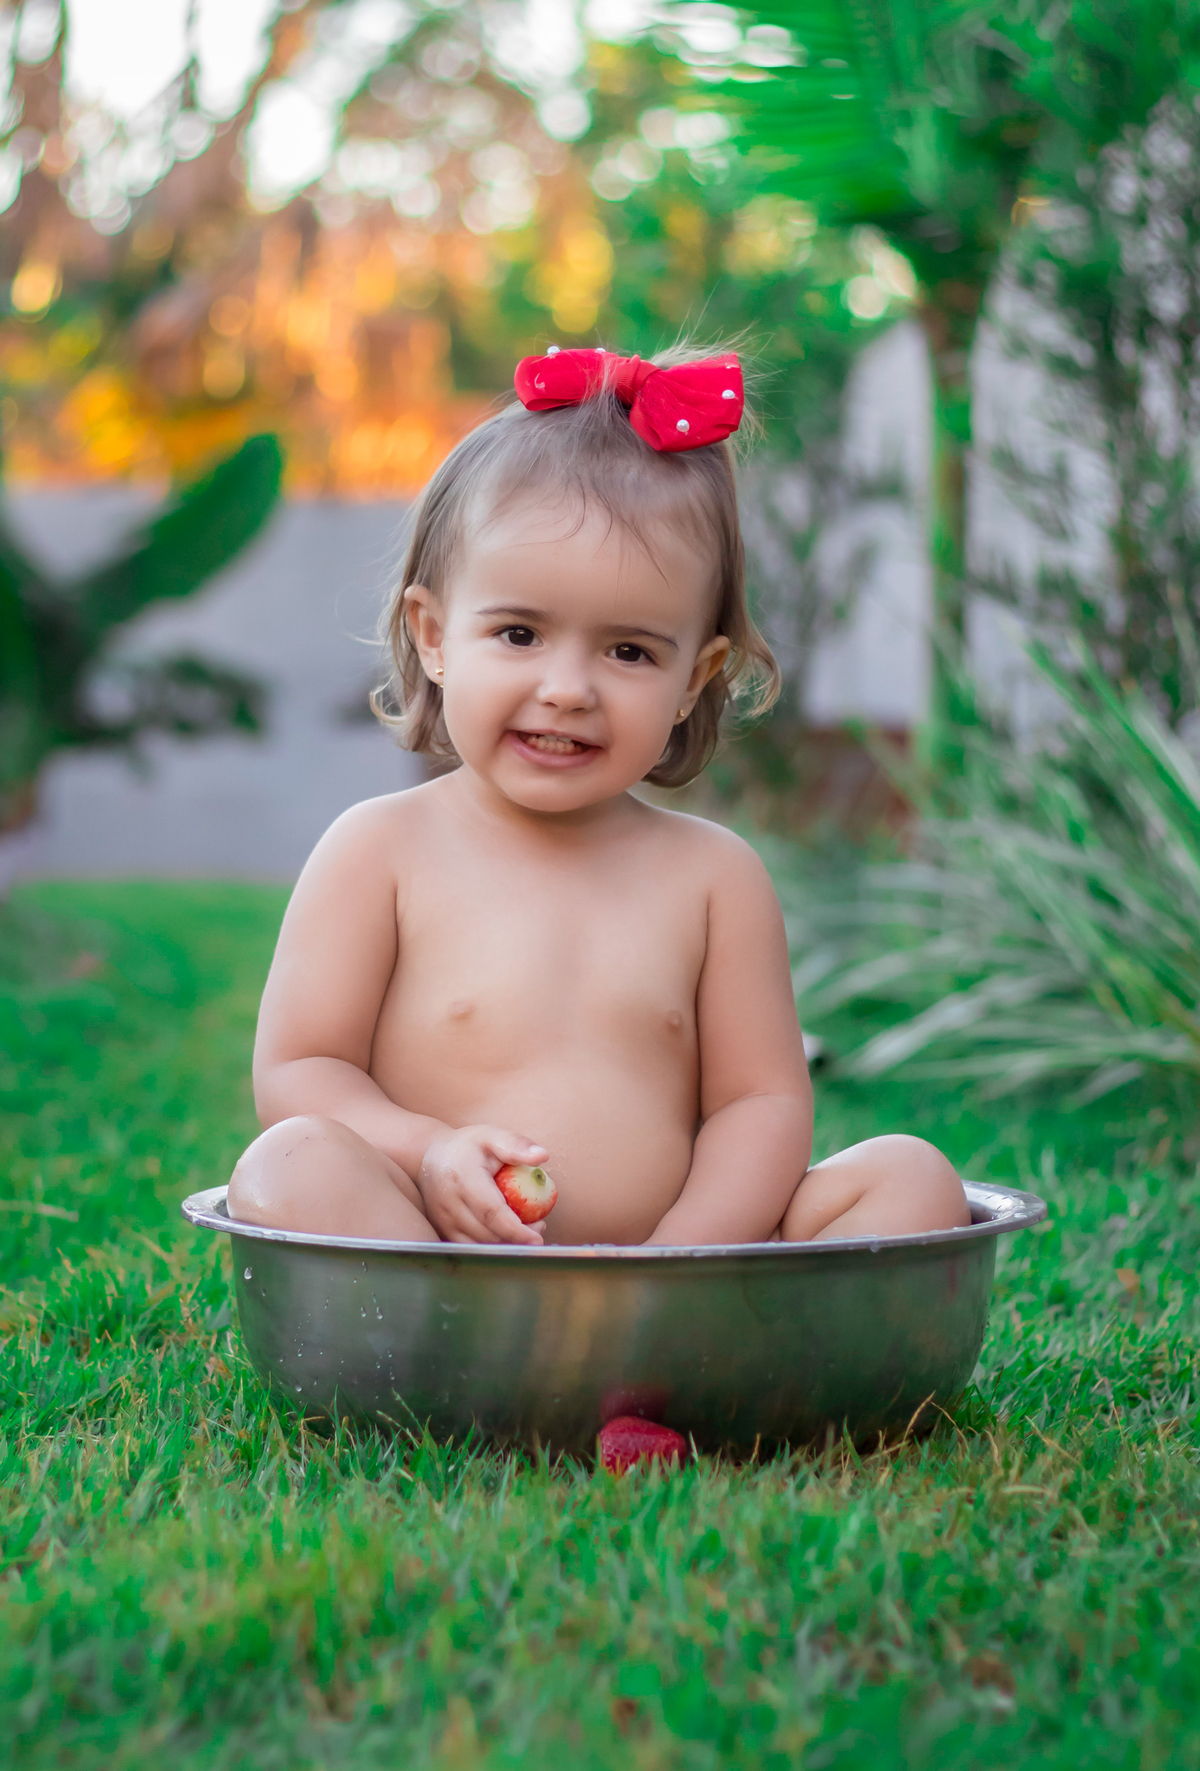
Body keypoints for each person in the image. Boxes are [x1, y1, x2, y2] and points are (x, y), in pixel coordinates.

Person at [227, 346, 968, 1248]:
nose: (568, 687)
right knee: (289, 1160)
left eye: (629, 652)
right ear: (433, 636)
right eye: (519, 632)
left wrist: (682, 1253)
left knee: (912, 1176)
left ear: (696, 678)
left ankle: (670, 1350)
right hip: (445, 1253)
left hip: (678, 1267)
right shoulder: (379, 850)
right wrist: (427, 1149)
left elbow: (760, 1102)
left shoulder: (713, 876)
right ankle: (476, 1357)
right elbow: (304, 1067)